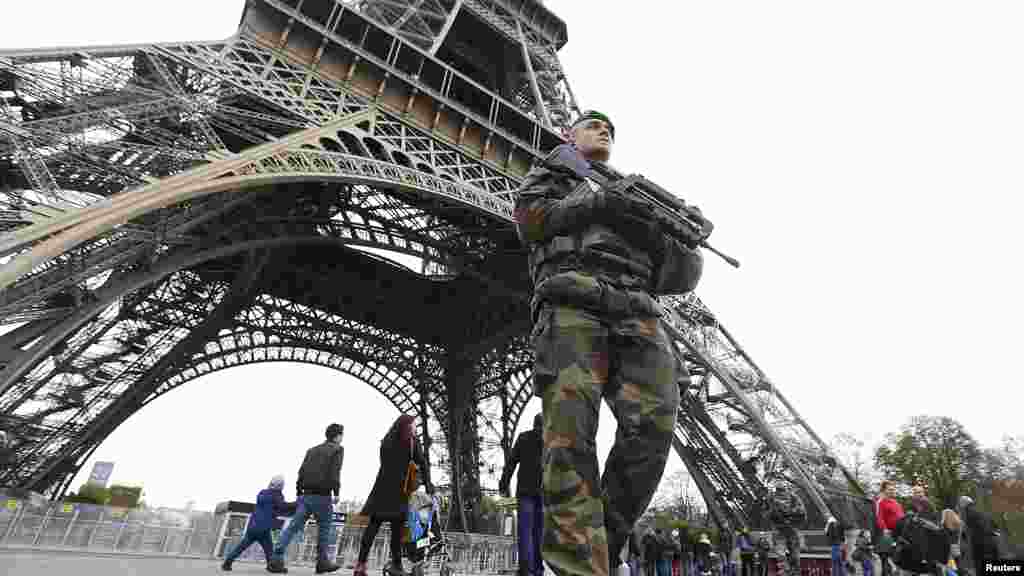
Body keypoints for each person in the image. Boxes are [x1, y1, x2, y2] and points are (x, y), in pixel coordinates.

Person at [514, 110, 704, 576]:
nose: (605, 131)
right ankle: (582, 567)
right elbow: (530, 223)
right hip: (572, 306)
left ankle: (601, 544)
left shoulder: (639, 197)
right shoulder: (554, 174)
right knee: (570, 437)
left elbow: (683, 277)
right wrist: (597, 203)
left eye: (611, 130)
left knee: (655, 431)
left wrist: (676, 235)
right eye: (593, 125)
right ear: (568, 134)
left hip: (638, 314)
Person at [354, 415, 432, 576]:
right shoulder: (411, 442)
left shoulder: (386, 440)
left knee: (373, 527)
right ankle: (396, 565)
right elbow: (422, 463)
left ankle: (360, 565)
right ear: (407, 426)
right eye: (413, 425)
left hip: (381, 489)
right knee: (397, 532)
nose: (415, 428)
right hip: (399, 491)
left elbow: (384, 463)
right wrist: (428, 484)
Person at [268, 423, 345, 574]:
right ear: (337, 436)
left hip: (306, 495)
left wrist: (299, 492)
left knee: (292, 528)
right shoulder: (338, 449)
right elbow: (335, 471)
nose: (342, 438)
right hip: (323, 496)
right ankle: (322, 562)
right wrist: (336, 492)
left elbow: (301, 471)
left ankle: (276, 559)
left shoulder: (312, 450)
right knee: (324, 529)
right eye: (341, 434)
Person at [499, 413, 545, 576]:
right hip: (544, 493)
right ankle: (538, 569)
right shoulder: (551, 439)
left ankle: (527, 570)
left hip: (525, 492)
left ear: (534, 424)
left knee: (525, 532)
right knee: (539, 533)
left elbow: (511, 462)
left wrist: (503, 484)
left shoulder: (524, 438)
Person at [222, 475, 293, 572]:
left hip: (252, 526)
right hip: (264, 528)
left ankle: (227, 563)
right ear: (281, 486)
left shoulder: (262, 493)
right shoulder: (277, 496)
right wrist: (297, 503)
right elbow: (283, 507)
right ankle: (272, 567)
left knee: (241, 547)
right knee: (269, 550)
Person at [766, 479, 806, 576]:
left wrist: (788, 514)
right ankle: (789, 571)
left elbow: (801, 512)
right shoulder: (791, 496)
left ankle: (789, 571)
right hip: (784, 528)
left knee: (787, 555)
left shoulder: (773, 497)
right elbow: (802, 512)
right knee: (787, 555)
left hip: (786, 528)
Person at [876, 481, 905, 576]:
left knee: (900, 557)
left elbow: (902, 516)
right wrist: (884, 530)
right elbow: (879, 517)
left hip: (900, 533)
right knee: (887, 558)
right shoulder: (880, 502)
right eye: (890, 489)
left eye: (893, 489)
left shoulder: (895, 502)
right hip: (888, 534)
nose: (893, 491)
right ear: (883, 490)